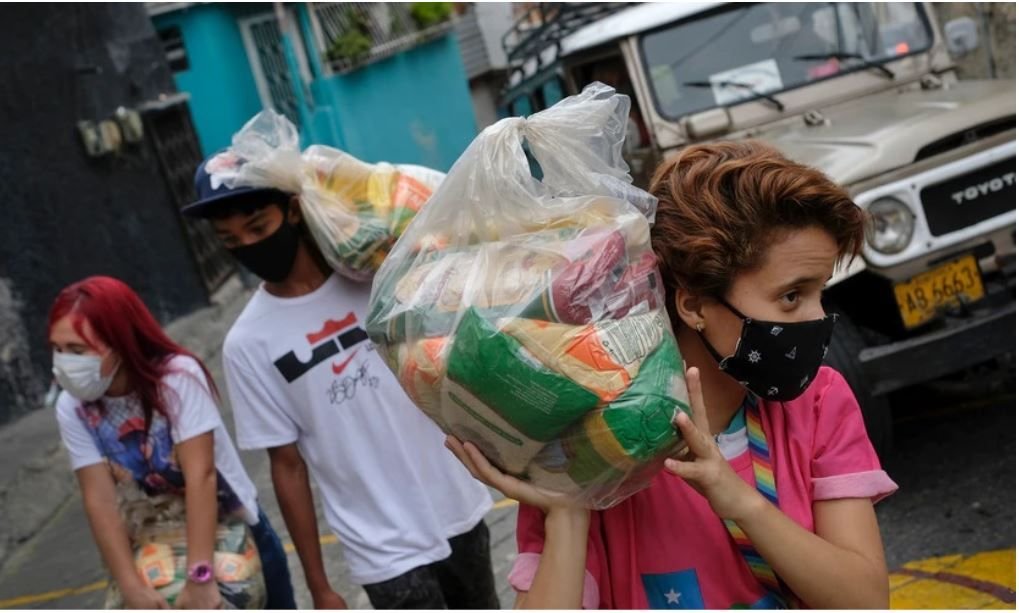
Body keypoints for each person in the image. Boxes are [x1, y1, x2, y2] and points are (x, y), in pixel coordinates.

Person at [447, 140, 898, 609]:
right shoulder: (594, 449)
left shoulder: (820, 401)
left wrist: (737, 498)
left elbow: (864, 601)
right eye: (791, 297)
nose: (816, 318)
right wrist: (565, 512)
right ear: (694, 304)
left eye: (819, 292)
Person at [181, 151, 498, 609]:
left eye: (257, 228)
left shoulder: (375, 276)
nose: (247, 246)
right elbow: (286, 466)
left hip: (457, 501)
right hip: (380, 545)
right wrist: (319, 584)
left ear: (292, 210)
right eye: (229, 239)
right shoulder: (247, 343)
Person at [49, 276, 296, 609]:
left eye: (78, 351)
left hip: (234, 530)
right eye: (57, 349)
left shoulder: (177, 380)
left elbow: (201, 477)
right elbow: (100, 500)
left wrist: (201, 578)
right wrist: (131, 587)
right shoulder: (73, 408)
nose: (64, 363)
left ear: (119, 341)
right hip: (155, 543)